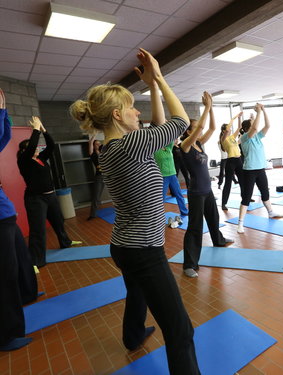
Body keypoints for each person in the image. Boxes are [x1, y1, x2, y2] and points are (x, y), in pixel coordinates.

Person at [70, 48, 200, 374]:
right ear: (116, 115)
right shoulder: (130, 145)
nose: (135, 113)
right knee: (180, 330)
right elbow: (179, 121)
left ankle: (133, 336)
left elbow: (157, 123)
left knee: (137, 292)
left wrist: (152, 88)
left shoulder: (111, 147)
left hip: (124, 245)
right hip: (143, 249)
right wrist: (158, 76)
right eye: (130, 108)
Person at [181, 92, 234, 278]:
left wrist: (211, 109)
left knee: (213, 217)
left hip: (207, 190)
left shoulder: (199, 144)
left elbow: (210, 127)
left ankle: (218, 240)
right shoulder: (185, 146)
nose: (200, 131)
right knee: (195, 227)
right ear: (188, 131)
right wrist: (206, 106)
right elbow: (203, 126)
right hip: (196, 192)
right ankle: (189, 264)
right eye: (195, 129)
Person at [17, 117, 81, 268]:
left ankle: (65, 242)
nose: (37, 149)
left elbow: (51, 146)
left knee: (59, 221)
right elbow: (32, 146)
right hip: (36, 199)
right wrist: (35, 129)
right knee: (38, 231)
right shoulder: (24, 161)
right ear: (24, 151)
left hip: (51, 196)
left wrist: (44, 130)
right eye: (33, 148)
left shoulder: (41, 159)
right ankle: (35, 261)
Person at [0, 88, 37, 352]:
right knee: (6, 274)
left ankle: (28, 293)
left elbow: (4, 136)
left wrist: (4, 112)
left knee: (22, 261)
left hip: (6, 215)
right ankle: (6, 335)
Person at [237, 103, 283, 234]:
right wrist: (258, 113)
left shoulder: (257, 137)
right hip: (249, 171)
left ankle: (271, 212)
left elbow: (267, 125)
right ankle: (240, 223)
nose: (254, 127)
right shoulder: (245, 137)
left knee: (265, 192)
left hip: (260, 169)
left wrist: (263, 110)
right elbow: (256, 126)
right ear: (247, 128)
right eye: (251, 125)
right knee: (246, 197)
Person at [154, 142, 188, 217]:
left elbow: (172, 138)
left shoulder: (168, 148)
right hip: (163, 176)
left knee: (179, 194)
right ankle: (159, 215)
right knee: (162, 198)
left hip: (173, 175)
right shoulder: (155, 150)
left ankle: (184, 211)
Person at [220, 112, 243, 211]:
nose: (230, 130)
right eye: (227, 129)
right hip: (231, 162)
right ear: (224, 130)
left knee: (243, 181)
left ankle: (246, 198)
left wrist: (238, 118)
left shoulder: (232, 137)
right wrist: (233, 117)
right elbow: (228, 128)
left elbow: (239, 127)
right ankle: (224, 203)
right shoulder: (223, 139)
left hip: (239, 160)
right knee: (228, 183)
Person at [87, 135, 105, 219]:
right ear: (94, 146)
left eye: (99, 143)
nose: (98, 145)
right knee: (96, 196)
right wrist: (95, 133)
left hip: (108, 175)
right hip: (99, 177)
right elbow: (90, 142)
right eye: (96, 144)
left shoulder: (104, 153)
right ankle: (92, 214)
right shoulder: (93, 154)